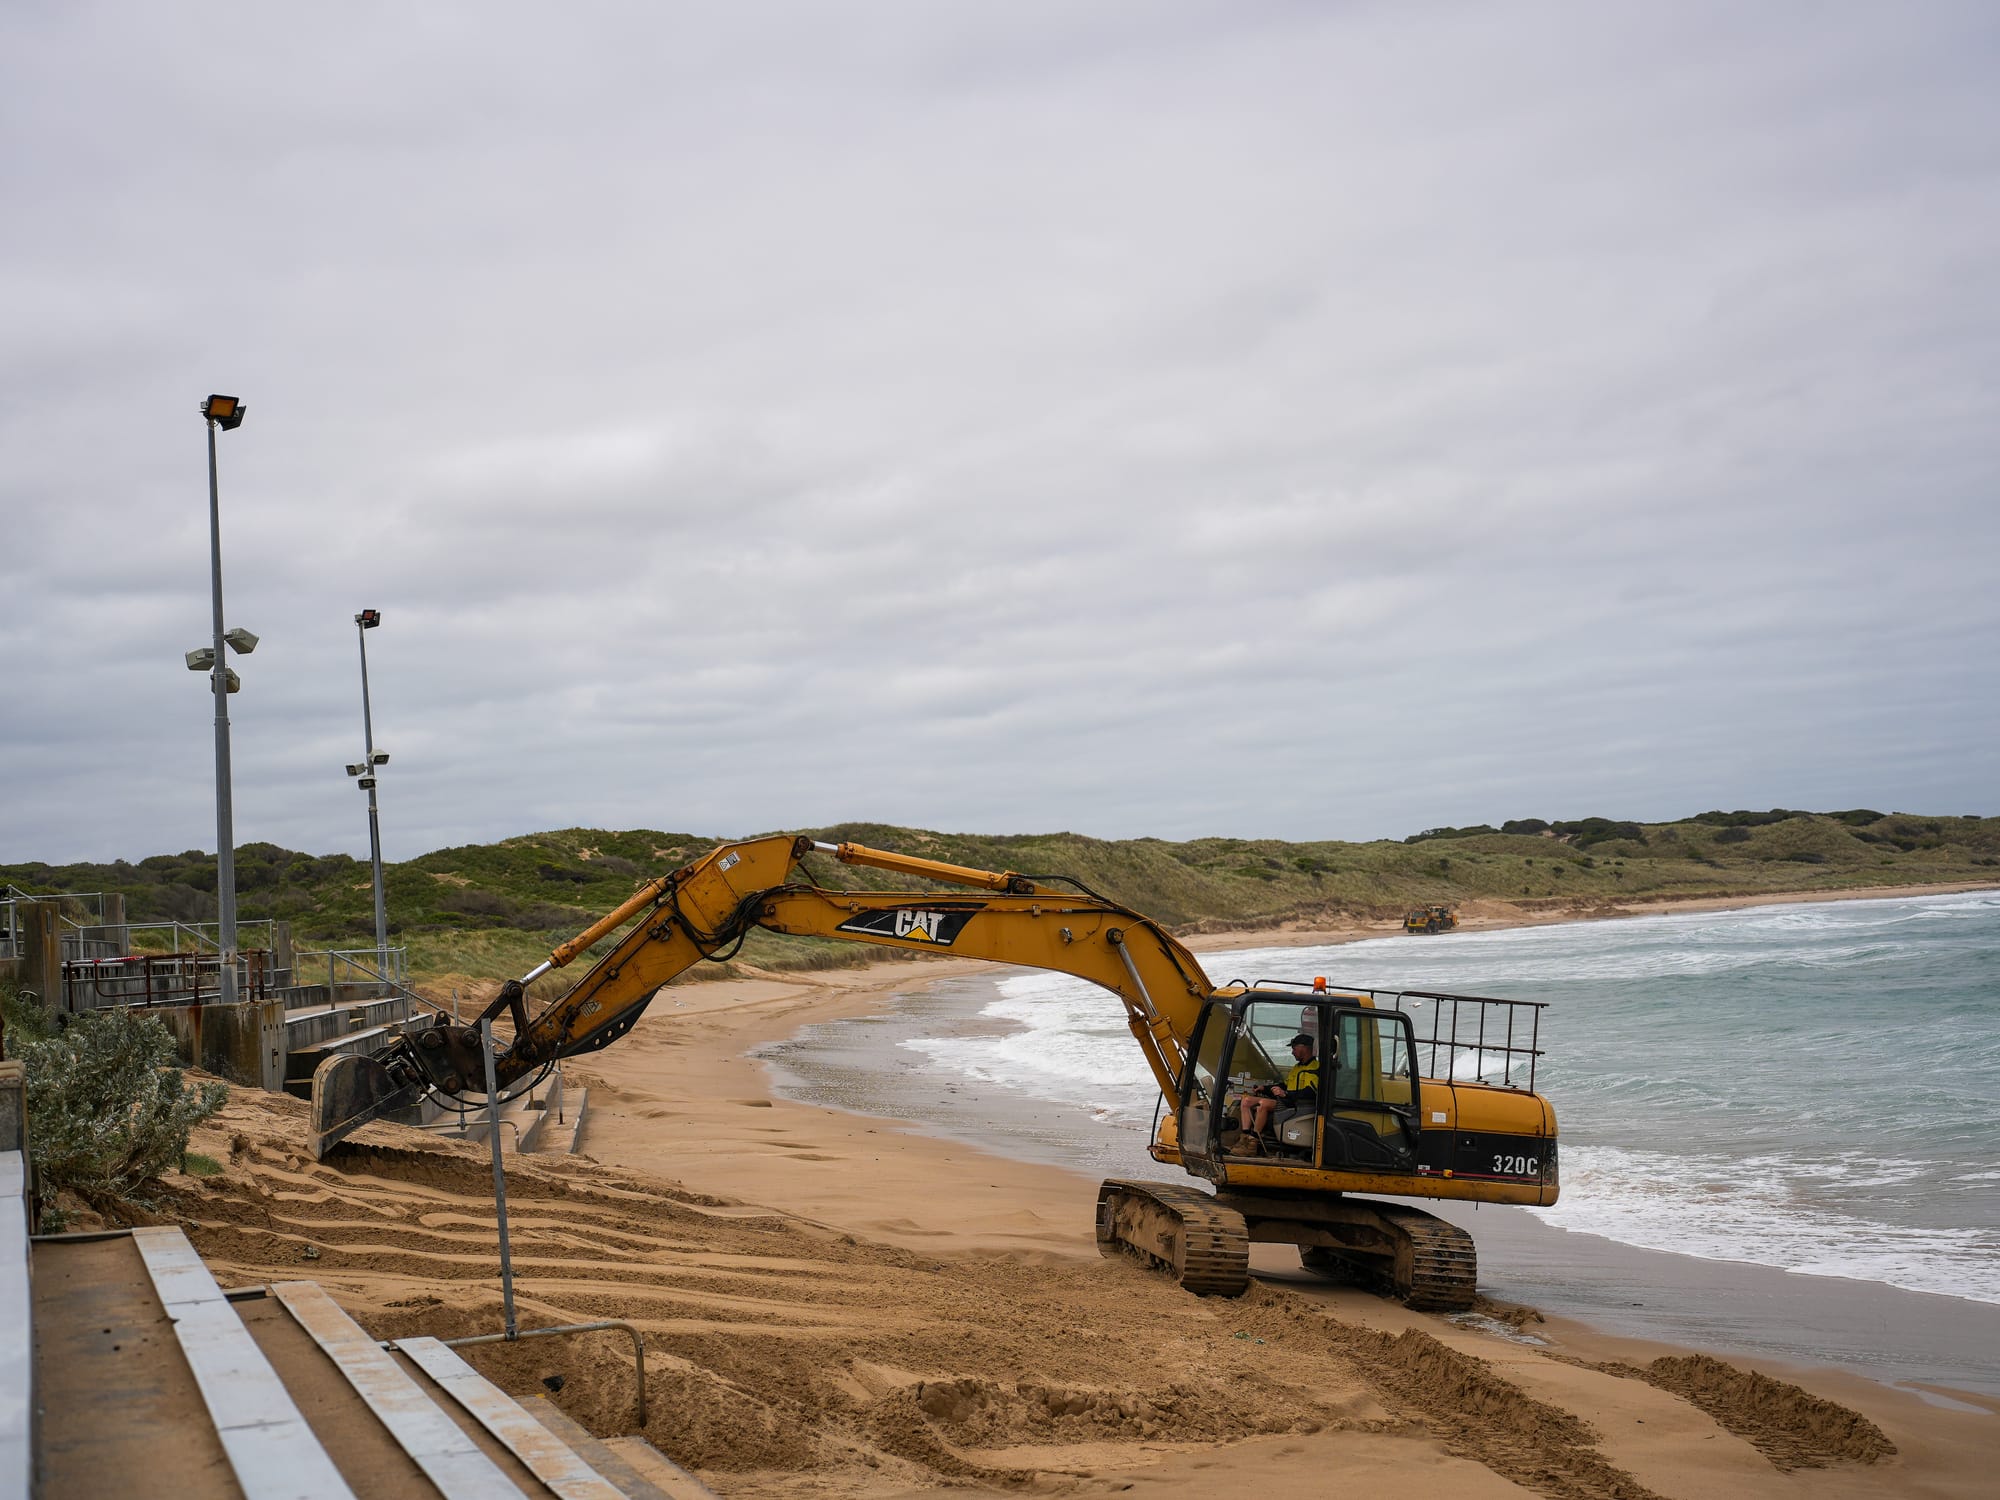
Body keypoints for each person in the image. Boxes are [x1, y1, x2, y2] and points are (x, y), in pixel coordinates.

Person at [1238, 1033, 1321, 1141]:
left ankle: (1252, 1141)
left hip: (1296, 1104)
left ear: (1304, 1048)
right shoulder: (1297, 1067)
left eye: (1294, 1048)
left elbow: (1310, 1092)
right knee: (1246, 1100)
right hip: (1285, 1100)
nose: (1292, 1052)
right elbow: (1285, 1085)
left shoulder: (1314, 1067)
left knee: (1263, 1104)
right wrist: (1265, 1088)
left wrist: (1286, 1094)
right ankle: (1244, 1136)